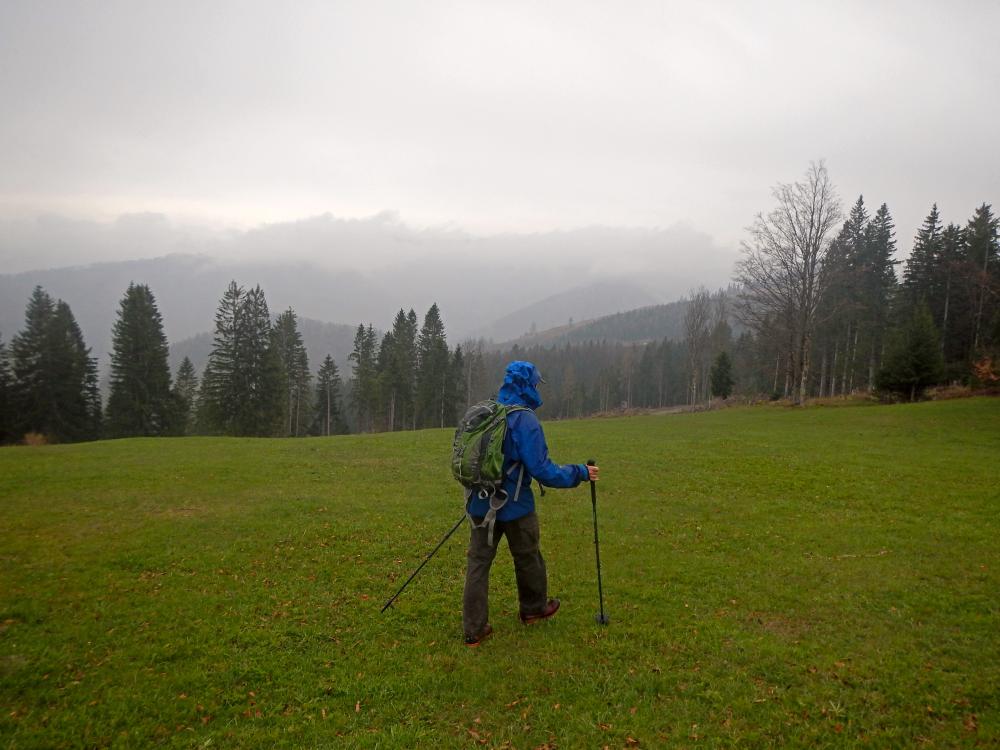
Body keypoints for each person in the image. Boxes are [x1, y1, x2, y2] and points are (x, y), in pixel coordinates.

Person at [463, 360, 600, 646]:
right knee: (528, 557)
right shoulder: (524, 419)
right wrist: (580, 473)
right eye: (536, 383)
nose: (538, 388)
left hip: (479, 501)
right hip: (515, 506)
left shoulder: (488, 411)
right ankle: (534, 609)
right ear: (527, 385)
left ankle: (474, 630)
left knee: (478, 564)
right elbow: (543, 470)